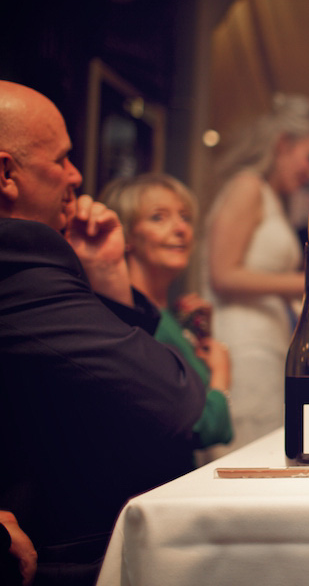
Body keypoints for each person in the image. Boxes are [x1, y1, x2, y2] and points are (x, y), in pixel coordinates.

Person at [0, 81, 205, 585]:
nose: (76, 175)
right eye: (61, 160)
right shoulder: (21, 257)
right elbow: (179, 398)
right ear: (6, 172)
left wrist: (107, 277)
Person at [203, 93, 309, 454]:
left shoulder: (274, 198)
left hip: (269, 345)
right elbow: (222, 274)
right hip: (244, 347)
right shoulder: (247, 187)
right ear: (283, 143)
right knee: (248, 450)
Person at [100, 174, 234, 459]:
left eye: (184, 217)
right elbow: (205, 426)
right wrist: (221, 373)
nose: (181, 229)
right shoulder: (130, 322)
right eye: (158, 218)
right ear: (125, 235)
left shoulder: (168, 317)